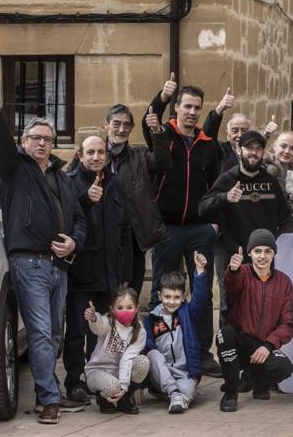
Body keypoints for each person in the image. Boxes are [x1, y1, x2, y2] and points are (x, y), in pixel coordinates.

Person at [0, 82, 87, 424]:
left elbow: (79, 220)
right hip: (28, 262)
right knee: (42, 332)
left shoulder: (64, 176)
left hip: (59, 265)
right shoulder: (14, 169)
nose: (42, 143)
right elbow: (0, 146)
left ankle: (51, 391)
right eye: (35, 138)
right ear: (24, 142)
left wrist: (74, 241)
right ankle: (49, 400)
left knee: (54, 333)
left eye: (47, 138)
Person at [143, 79, 231, 376]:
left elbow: (216, 185)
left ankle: (203, 353)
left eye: (197, 108)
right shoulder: (163, 135)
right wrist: (162, 96)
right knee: (160, 291)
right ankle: (158, 350)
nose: (191, 112)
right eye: (187, 106)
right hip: (167, 229)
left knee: (203, 292)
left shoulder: (207, 145)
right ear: (176, 108)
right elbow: (150, 119)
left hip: (199, 230)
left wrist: (215, 223)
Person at [200, 130, 293, 319]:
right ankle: (229, 348)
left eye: (258, 149)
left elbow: (285, 218)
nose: (253, 153)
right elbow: (203, 209)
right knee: (231, 309)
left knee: (262, 309)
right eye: (249, 148)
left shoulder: (270, 182)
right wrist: (224, 197)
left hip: (263, 258)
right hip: (235, 256)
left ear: (263, 152)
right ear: (239, 150)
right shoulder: (227, 179)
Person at [63, 136, 133, 405]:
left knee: (103, 333)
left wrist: (124, 271)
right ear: (80, 155)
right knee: (77, 332)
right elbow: (66, 220)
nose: (95, 157)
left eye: (100, 152)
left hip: (109, 276)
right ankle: (74, 382)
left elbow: (125, 229)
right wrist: (85, 200)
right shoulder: (69, 183)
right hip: (81, 274)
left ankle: (97, 380)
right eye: (90, 152)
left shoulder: (115, 184)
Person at [217, 230, 293, 412]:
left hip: (262, 344)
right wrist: (233, 270)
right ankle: (230, 392)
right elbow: (232, 286)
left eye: (268, 251)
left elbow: (288, 323)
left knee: (284, 368)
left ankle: (257, 378)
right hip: (239, 339)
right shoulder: (242, 273)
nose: (262, 256)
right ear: (249, 253)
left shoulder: (284, 282)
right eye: (257, 251)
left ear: (274, 254)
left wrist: (268, 345)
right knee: (224, 334)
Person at [103, 102, 170, 299]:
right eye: (116, 124)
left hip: (134, 237)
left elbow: (163, 162)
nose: (121, 129)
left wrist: (157, 131)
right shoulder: (94, 152)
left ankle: (129, 329)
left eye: (126, 125)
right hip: (103, 234)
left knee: (131, 292)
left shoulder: (139, 155)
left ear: (132, 128)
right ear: (106, 124)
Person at [144, 252, 212, 413]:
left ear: (183, 298)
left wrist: (200, 270)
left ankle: (174, 394)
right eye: (167, 296)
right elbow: (146, 348)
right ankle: (173, 393)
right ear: (160, 296)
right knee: (152, 354)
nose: (171, 301)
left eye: (176, 297)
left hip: (185, 372)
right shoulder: (152, 318)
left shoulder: (188, 313)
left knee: (187, 391)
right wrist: (139, 386)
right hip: (162, 371)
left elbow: (201, 300)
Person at [83, 287, 150, 415]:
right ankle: (104, 400)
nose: (125, 311)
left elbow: (127, 359)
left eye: (129, 307)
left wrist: (124, 387)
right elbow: (99, 327)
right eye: (120, 308)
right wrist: (93, 318)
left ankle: (123, 400)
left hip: (119, 371)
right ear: (112, 310)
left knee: (143, 362)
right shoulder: (109, 322)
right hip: (97, 371)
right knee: (113, 386)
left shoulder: (140, 331)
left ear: (136, 309)